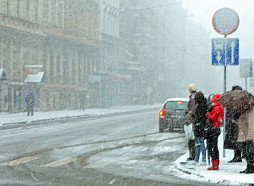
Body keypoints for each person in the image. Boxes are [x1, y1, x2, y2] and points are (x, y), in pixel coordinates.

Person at [224, 85, 243, 163]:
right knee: (235, 140)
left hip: (236, 123)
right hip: (233, 123)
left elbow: (238, 112)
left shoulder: (239, 101)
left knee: (238, 140)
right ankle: (237, 156)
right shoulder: (233, 100)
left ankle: (238, 156)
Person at [206, 94, 224, 170]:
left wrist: (208, 114)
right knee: (214, 147)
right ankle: (215, 163)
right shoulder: (218, 107)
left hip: (214, 128)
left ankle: (215, 164)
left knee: (213, 147)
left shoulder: (216, 108)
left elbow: (212, 118)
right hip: (216, 128)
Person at [191, 91, 207, 165]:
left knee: (199, 144)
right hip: (201, 126)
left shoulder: (200, 106)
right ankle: (198, 159)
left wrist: (193, 115)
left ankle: (201, 159)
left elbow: (199, 117)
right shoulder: (204, 105)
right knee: (199, 143)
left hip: (199, 127)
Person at [237, 107, 254, 174]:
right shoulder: (245, 111)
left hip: (248, 136)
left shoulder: (250, 112)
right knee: (247, 153)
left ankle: (250, 167)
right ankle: (249, 167)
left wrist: (250, 136)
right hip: (245, 135)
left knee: (250, 153)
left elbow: (252, 125)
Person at [184, 83, 197, 161]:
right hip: (192, 120)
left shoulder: (192, 98)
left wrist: (189, 113)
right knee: (192, 139)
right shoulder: (194, 97)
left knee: (191, 139)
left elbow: (192, 109)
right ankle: (193, 155)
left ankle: (192, 155)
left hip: (191, 121)